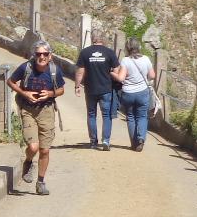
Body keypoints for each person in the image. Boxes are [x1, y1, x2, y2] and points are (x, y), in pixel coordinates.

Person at [7, 45, 65, 195]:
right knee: (33, 147)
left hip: (46, 111)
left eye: (45, 54)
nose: (42, 57)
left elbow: (61, 89)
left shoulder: (54, 70)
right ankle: (28, 162)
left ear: (50, 56)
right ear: (34, 55)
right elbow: (10, 81)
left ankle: (40, 182)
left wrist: (51, 93)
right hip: (28, 109)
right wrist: (24, 93)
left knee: (44, 150)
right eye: (39, 54)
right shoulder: (26, 67)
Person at [75, 30, 123, 151]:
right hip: (106, 89)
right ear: (103, 39)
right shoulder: (109, 52)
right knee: (106, 115)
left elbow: (80, 71)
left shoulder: (85, 52)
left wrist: (77, 86)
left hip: (90, 89)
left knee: (91, 115)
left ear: (92, 39)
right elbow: (117, 68)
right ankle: (106, 140)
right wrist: (111, 74)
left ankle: (93, 141)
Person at [117, 41, 157, 152]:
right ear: (139, 47)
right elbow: (152, 76)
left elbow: (121, 78)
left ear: (128, 48)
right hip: (142, 92)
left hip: (128, 93)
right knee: (142, 116)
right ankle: (141, 139)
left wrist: (112, 73)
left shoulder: (125, 60)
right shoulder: (146, 59)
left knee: (130, 117)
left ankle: (133, 144)